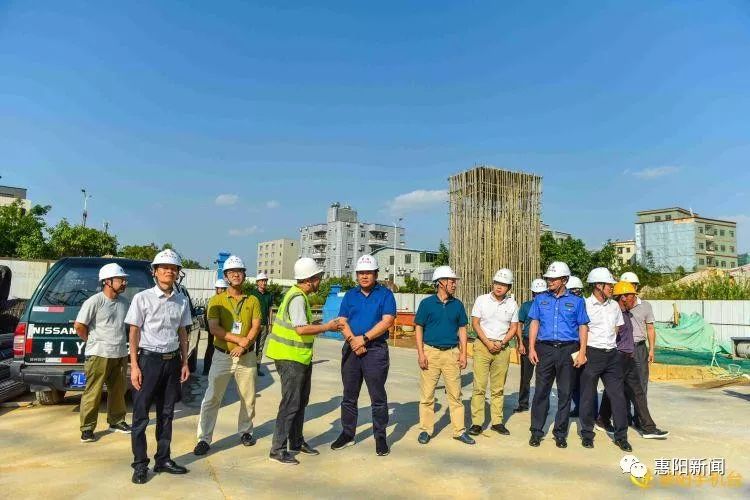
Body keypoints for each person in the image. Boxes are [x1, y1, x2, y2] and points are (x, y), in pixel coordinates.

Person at [266, 258, 344, 465]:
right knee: (290, 404)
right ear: (310, 279)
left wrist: (316, 324)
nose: (320, 281)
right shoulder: (298, 298)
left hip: (298, 358)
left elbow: (300, 325)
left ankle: (296, 441)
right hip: (290, 359)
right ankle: (278, 449)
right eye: (318, 278)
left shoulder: (297, 296)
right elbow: (300, 329)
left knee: (300, 402)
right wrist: (327, 327)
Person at [126, 249, 193, 484]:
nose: (169, 271)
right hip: (148, 361)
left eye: (173, 268)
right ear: (155, 272)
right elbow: (134, 331)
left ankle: (163, 459)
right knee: (141, 416)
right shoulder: (142, 298)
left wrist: (185, 362)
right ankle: (140, 464)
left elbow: (183, 332)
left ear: (177, 273)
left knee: (167, 414)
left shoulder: (181, 300)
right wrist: (134, 365)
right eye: (164, 268)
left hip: (172, 362)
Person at [194, 255, 262, 456]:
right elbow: (214, 328)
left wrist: (244, 344)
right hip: (222, 355)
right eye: (231, 272)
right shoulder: (217, 300)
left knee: (248, 398)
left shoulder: (253, 300)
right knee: (212, 397)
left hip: (246, 356)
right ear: (225, 276)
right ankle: (204, 438)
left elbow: (256, 325)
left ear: (244, 275)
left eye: (239, 271)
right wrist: (237, 339)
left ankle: (246, 431)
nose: (236, 275)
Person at [331, 255, 396, 456]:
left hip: (375, 349)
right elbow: (342, 321)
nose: (364, 276)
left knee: (377, 396)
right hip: (352, 348)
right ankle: (348, 434)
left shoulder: (385, 294)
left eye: (368, 273)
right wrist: (353, 341)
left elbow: (387, 321)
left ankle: (380, 437)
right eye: (361, 273)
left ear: (376, 274)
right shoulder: (350, 295)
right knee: (349, 396)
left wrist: (364, 339)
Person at [596, 281, 669, 440]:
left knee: (637, 391)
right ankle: (603, 420)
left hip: (629, 357)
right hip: (618, 358)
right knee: (615, 392)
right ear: (622, 297)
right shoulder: (614, 314)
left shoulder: (627, 313)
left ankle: (648, 427)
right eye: (631, 297)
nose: (634, 300)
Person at [527, 261, 589, 449]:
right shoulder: (540, 300)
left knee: (565, 393)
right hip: (544, 350)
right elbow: (535, 323)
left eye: (553, 279)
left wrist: (582, 352)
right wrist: (531, 348)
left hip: (568, 350)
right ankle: (536, 431)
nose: (549, 281)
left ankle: (560, 433)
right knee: (541, 392)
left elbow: (583, 327)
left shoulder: (577, 302)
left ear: (564, 280)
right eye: (548, 278)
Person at [415, 266, 475, 446]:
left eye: (454, 280)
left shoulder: (457, 305)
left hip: (451, 354)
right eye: (451, 280)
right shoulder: (426, 304)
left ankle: (459, 430)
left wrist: (464, 353)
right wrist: (421, 353)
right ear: (440, 282)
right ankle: (426, 430)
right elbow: (419, 328)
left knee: (456, 395)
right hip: (430, 352)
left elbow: (463, 329)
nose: (454, 283)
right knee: (427, 395)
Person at [74, 263, 132, 443]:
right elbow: (79, 326)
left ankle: (116, 420)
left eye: (124, 280)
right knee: (93, 392)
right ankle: (87, 429)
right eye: (120, 279)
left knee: (118, 390)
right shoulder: (95, 301)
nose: (124, 283)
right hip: (98, 354)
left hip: (120, 353)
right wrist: (92, 342)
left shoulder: (124, 303)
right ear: (107, 281)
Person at [579, 267, 632, 452]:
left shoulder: (614, 306)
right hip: (592, 354)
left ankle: (621, 437)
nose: (612, 288)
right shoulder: (584, 305)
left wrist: (610, 346)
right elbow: (580, 330)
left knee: (618, 396)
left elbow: (617, 329)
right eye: (609, 285)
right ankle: (587, 434)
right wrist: (583, 352)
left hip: (612, 355)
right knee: (587, 396)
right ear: (598, 285)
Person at [468, 268, 519, 437]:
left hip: (502, 348)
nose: (499, 287)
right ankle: (477, 422)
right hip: (483, 345)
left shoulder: (512, 304)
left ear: (509, 288)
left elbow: (514, 327)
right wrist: (488, 343)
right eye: (497, 283)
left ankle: (497, 421)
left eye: (504, 285)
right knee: (479, 386)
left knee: (498, 388)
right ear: (493, 283)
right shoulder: (482, 300)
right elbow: (475, 323)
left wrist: (503, 342)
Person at [620, 271, 656, 428]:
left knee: (641, 384)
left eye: (630, 287)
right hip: (621, 349)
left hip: (639, 348)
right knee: (622, 384)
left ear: (636, 287)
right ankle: (625, 416)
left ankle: (640, 417)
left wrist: (652, 350)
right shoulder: (616, 306)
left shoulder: (645, 306)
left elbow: (650, 329)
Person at [514, 278, 547, 413]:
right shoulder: (526, 306)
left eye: (541, 293)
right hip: (527, 342)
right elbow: (519, 324)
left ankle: (543, 405)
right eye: (536, 293)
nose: (538, 296)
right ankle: (523, 403)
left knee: (544, 376)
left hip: (544, 343)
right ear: (533, 293)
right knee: (526, 376)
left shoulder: (548, 306)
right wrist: (520, 343)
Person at [567, 275, 586, 417]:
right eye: (574, 291)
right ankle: (579, 407)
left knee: (584, 382)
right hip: (572, 347)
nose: (577, 294)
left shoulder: (582, 304)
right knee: (572, 382)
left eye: (578, 291)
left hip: (583, 346)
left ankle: (587, 410)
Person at [202, 279, 227, 376]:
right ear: (217, 289)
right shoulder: (213, 300)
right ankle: (206, 369)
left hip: (223, 330)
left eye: (223, 289)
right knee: (211, 348)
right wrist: (210, 329)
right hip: (213, 330)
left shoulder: (227, 301)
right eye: (220, 289)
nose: (221, 291)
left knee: (221, 351)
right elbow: (207, 316)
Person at [252, 272, 274, 376]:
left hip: (264, 325)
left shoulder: (269, 295)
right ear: (257, 282)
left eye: (265, 281)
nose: (264, 283)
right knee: (250, 346)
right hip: (253, 325)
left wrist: (270, 324)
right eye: (262, 281)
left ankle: (257, 368)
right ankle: (248, 368)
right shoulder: (252, 294)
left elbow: (270, 310)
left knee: (260, 348)